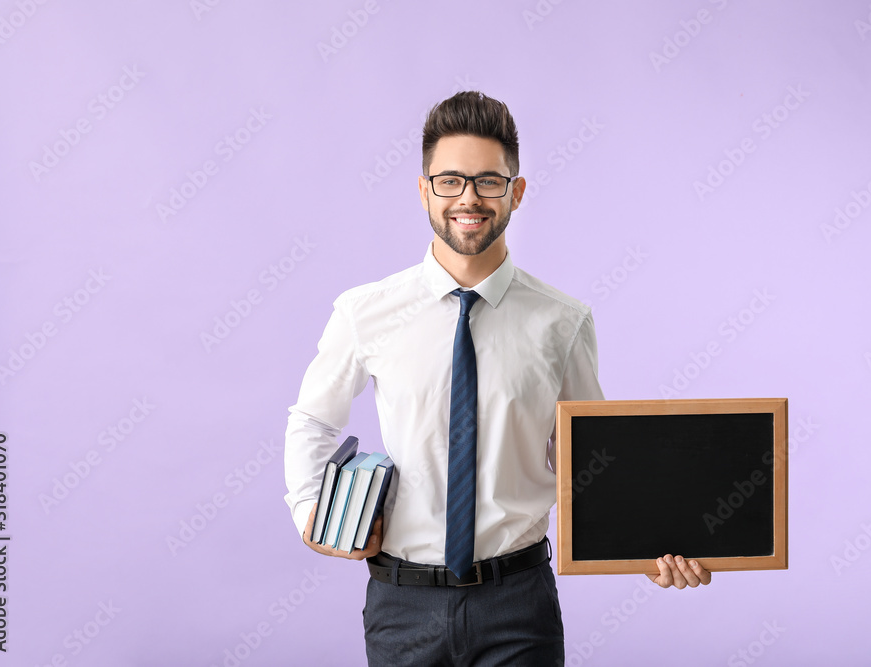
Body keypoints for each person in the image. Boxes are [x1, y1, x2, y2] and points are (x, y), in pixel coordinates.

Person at [283, 91, 711, 666]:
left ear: (517, 191)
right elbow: (312, 417)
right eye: (450, 180)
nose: (469, 198)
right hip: (401, 605)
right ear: (423, 189)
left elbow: (591, 460)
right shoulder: (365, 312)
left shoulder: (563, 321)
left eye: (488, 181)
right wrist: (310, 507)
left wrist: (652, 546)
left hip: (519, 603)